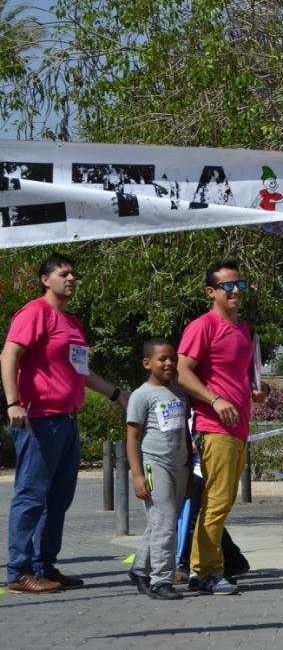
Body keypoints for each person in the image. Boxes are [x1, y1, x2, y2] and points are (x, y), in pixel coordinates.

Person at [2, 252, 129, 593]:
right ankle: (18, 571)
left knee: (58, 498)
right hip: (40, 420)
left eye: (73, 273)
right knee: (31, 496)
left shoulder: (71, 323)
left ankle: (45, 566)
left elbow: (81, 371)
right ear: (46, 280)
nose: (71, 278)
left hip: (68, 421)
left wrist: (117, 394)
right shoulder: (34, 313)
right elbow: (9, 354)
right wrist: (13, 403)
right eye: (63, 273)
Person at [177, 259, 269, 594]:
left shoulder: (243, 330)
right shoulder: (203, 326)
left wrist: (255, 392)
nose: (235, 291)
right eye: (228, 286)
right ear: (211, 292)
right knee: (215, 501)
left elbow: (241, 379)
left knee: (224, 501)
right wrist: (215, 400)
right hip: (213, 427)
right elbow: (182, 371)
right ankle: (203, 571)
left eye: (240, 285)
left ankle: (207, 567)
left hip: (239, 428)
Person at [125, 338, 191, 600]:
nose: (169, 363)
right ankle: (161, 580)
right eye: (162, 359)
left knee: (162, 521)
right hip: (155, 465)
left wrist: (188, 468)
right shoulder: (141, 395)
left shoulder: (179, 392)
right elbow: (132, 438)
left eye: (173, 358)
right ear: (147, 363)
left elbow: (185, 430)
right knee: (164, 523)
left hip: (180, 466)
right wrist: (138, 475)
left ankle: (141, 568)